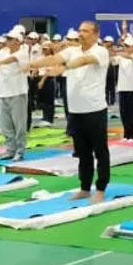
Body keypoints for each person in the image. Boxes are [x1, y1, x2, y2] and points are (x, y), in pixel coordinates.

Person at [28, 21, 111, 203]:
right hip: (75, 110)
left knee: (100, 151)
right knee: (82, 152)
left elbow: (84, 61)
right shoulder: (71, 50)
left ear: (95, 34)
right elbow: (53, 59)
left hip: (94, 109)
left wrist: (64, 68)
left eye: (85, 31)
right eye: (80, 30)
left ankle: (101, 188)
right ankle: (84, 187)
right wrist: (31, 64)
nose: (81, 34)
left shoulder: (100, 51)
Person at [0, 30, 29, 162]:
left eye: (10, 39)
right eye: (7, 39)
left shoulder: (22, 53)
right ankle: (10, 150)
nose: (7, 42)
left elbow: (11, 60)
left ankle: (20, 151)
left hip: (18, 93)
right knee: (6, 125)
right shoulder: (2, 52)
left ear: (17, 41)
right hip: (3, 93)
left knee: (19, 125)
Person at [114, 35, 133, 141]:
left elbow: (131, 58)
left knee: (131, 113)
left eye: (128, 46)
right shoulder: (120, 57)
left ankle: (132, 135)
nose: (126, 48)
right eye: (125, 46)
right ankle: (125, 134)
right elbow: (112, 59)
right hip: (122, 88)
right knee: (123, 112)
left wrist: (119, 53)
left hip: (131, 88)